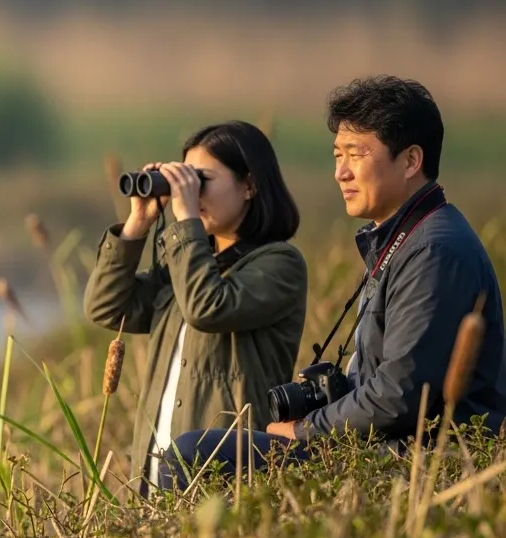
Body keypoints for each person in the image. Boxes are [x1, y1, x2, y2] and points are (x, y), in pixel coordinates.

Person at [158, 75, 506, 491]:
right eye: (337, 155)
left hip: (415, 462)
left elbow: (399, 394)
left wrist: (307, 430)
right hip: (382, 448)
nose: (340, 172)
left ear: (411, 161)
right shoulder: (406, 237)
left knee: (196, 454)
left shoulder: (434, 251)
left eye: (356, 154)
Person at [83, 119, 307, 494]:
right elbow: (106, 307)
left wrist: (185, 220)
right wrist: (137, 223)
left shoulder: (280, 264)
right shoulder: (184, 266)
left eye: (200, 180)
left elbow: (208, 308)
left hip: (224, 479)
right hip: (155, 480)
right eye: (184, 180)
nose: (191, 193)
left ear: (249, 185)